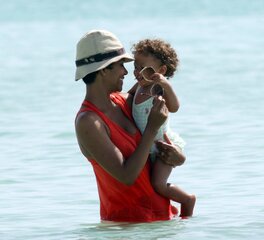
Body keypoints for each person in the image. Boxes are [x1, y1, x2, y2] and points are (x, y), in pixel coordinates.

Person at [74, 29, 186, 222]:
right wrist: (151, 129)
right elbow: (126, 175)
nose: (126, 72)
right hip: (126, 228)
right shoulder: (89, 122)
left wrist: (178, 157)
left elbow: (157, 144)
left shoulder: (127, 102)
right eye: (120, 65)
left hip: (163, 222)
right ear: (104, 69)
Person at [128, 39, 196, 217]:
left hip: (163, 147)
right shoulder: (139, 87)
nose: (138, 73)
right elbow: (124, 98)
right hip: (148, 145)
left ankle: (187, 200)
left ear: (161, 71)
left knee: (158, 184)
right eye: (136, 67)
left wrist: (166, 85)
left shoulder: (157, 89)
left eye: (145, 69)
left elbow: (174, 107)